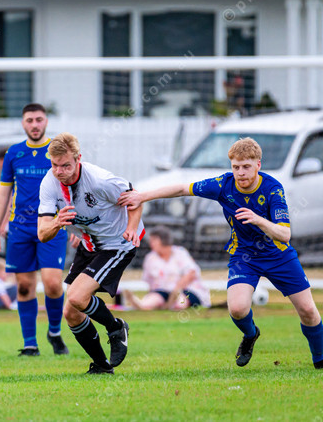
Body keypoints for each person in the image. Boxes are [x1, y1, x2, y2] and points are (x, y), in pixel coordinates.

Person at [118, 137, 323, 369]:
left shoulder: (273, 188)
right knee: (237, 309)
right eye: (236, 167)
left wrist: (258, 220)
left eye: (246, 166)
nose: (240, 172)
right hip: (244, 257)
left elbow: (285, 234)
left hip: (279, 256)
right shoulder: (223, 184)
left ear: (258, 165)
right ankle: (250, 334)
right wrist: (142, 196)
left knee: (308, 310)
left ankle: (319, 359)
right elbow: (182, 188)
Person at [37, 132, 144, 375]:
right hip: (89, 245)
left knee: (76, 296)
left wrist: (131, 228)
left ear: (78, 159)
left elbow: (136, 198)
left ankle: (116, 327)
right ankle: (102, 367)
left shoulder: (99, 180)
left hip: (117, 244)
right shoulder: (49, 183)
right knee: (71, 313)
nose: (59, 171)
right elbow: (42, 233)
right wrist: (57, 223)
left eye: (66, 165)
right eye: (54, 165)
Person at [0, 103, 70, 357]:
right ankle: (30, 344)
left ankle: (54, 332)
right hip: (20, 229)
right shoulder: (14, 153)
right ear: (23, 123)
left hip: (53, 225)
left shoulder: (57, 150)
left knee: (53, 284)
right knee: (24, 287)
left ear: (46, 121)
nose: (35, 125)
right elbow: (4, 193)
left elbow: (72, 188)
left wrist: (79, 228)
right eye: (29, 120)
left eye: (39, 119)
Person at [122, 226, 211, 311]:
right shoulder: (150, 258)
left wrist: (176, 289)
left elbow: (191, 273)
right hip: (163, 291)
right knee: (155, 298)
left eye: (153, 240)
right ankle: (141, 304)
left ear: (162, 240)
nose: (150, 243)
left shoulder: (180, 253)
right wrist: (153, 294)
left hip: (185, 290)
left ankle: (172, 303)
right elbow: (150, 281)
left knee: (181, 301)